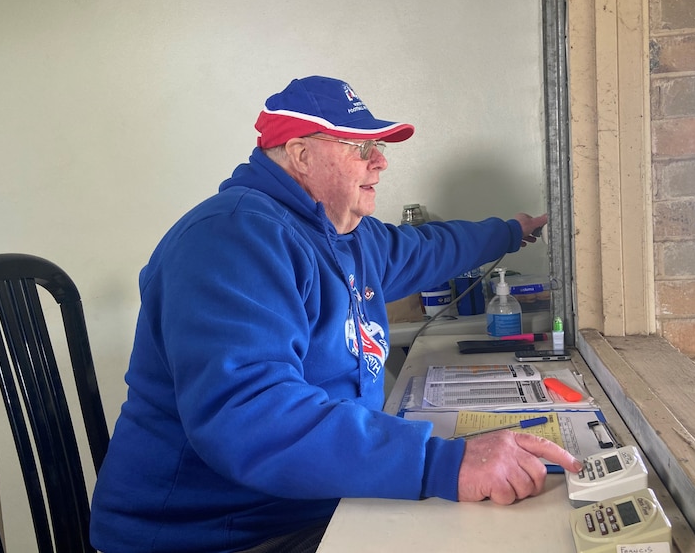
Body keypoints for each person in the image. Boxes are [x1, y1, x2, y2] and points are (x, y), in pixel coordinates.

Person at [89, 76, 582, 553]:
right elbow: (250, 414)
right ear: (301, 155)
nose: (380, 162)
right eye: (360, 149)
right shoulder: (233, 237)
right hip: (218, 534)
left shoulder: (344, 235)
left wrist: (509, 232)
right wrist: (441, 463)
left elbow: (428, 248)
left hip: (306, 504)